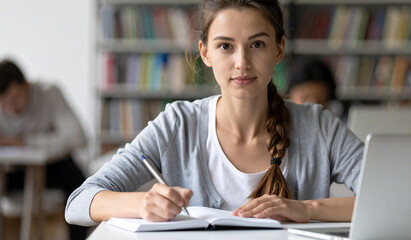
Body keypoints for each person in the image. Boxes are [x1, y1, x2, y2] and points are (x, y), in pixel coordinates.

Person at [66, 0, 363, 226]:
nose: (242, 62)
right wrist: (143, 203)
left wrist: (307, 209)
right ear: (205, 53)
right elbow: (78, 203)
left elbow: (403, 200)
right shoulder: (178, 125)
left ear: (279, 49)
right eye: (225, 46)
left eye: (257, 44)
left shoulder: (319, 127)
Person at [0, 59, 88, 240]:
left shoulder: (49, 94)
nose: (11, 108)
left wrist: (25, 142)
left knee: (79, 182)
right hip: (11, 171)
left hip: (53, 168)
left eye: (15, 99)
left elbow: (77, 137)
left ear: (27, 85)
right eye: (4, 103)